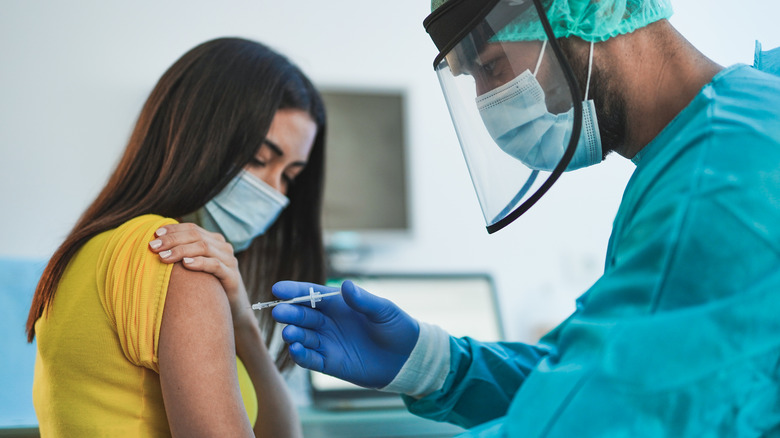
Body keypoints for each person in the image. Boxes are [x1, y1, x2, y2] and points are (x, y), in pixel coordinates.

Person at [270, 0, 780, 436]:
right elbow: (589, 374)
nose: (489, 104)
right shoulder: (734, 121)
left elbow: (589, 420)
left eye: (492, 67)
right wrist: (429, 361)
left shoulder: (715, 186)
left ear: (581, 14)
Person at [25, 37, 326, 437]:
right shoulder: (175, 256)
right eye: (259, 159)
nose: (274, 191)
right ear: (197, 136)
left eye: (289, 176)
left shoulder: (90, 248)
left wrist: (244, 324)